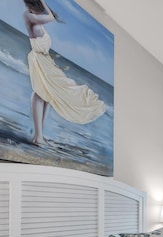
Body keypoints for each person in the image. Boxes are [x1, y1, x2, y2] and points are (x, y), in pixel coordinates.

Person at [23, 0, 105, 145]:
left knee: (48, 96)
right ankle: (38, 136)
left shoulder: (36, 19)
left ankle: (39, 135)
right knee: (40, 93)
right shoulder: (29, 16)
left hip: (46, 61)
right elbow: (51, 17)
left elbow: (50, 18)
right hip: (39, 60)